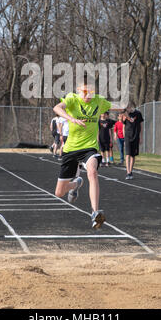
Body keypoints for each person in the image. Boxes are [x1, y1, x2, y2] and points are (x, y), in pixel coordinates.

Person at [53, 84, 123, 229]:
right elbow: (57, 108)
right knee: (59, 193)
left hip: (90, 147)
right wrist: (71, 119)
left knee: (92, 172)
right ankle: (76, 183)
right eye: (84, 92)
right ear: (79, 92)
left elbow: (115, 106)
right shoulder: (72, 99)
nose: (87, 95)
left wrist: (125, 107)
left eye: (90, 92)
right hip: (71, 149)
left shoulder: (99, 101)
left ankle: (95, 213)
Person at [123, 101, 144, 179]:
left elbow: (141, 126)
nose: (128, 108)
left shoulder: (138, 114)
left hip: (135, 136)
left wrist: (141, 137)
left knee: (133, 155)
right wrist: (124, 138)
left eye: (129, 106)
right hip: (128, 137)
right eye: (127, 107)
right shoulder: (125, 115)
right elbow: (123, 125)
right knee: (127, 154)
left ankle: (130, 172)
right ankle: (128, 172)